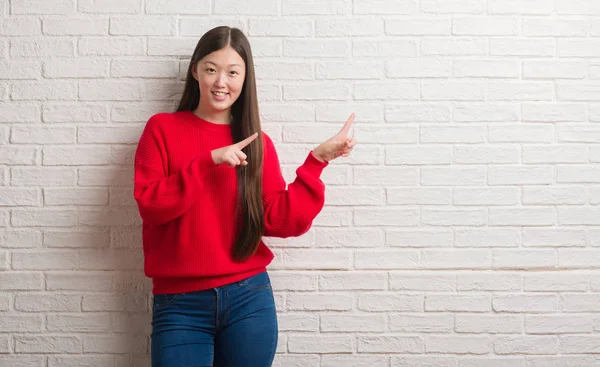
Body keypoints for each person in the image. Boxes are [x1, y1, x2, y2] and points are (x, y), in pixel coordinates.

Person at [133, 26, 357, 367]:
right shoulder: (161, 129)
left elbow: (278, 220)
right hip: (179, 304)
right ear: (195, 71)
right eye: (211, 69)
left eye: (232, 72)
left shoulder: (257, 142)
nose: (221, 82)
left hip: (248, 298)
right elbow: (151, 206)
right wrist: (208, 162)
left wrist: (317, 162)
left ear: (245, 78)